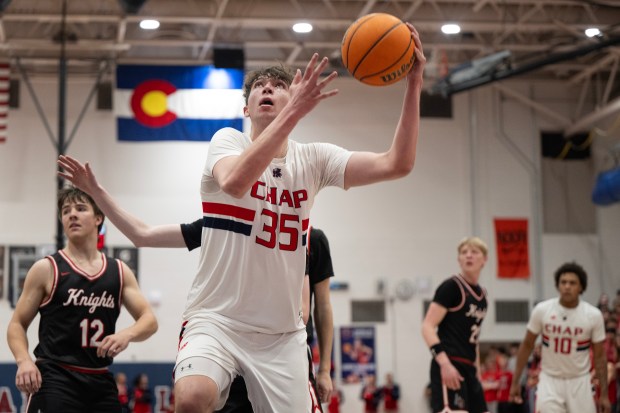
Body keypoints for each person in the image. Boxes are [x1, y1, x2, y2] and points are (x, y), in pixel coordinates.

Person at [62, 28, 425, 412]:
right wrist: (293, 114)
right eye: (259, 87)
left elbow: (397, 163)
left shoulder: (315, 159)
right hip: (216, 320)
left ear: (294, 99)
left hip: (281, 335)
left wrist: (414, 83)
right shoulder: (227, 142)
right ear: (246, 108)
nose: (267, 88)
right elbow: (235, 183)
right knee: (191, 398)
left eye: (279, 85)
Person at [57, 156, 338, 412]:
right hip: (226, 344)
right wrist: (96, 192)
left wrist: (324, 368)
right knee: (192, 398)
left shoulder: (308, 238)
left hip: (280, 348)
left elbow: (314, 307)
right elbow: (143, 234)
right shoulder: (221, 225)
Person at [6, 187, 158, 412]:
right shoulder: (47, 268)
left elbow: (149, 320)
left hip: (100, 379)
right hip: (56, 376)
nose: (72, 215)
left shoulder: (119, 271)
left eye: (80, 208)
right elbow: (17, 324)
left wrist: (127, 334)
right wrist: (23, 361)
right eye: (66, 211)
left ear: (98, 218)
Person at [508, 262, 610, 413]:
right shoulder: (542, 310)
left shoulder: (593, 315)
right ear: (557, 285)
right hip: (550, 380)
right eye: (563, 282)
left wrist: (604, 395)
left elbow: (600, 357)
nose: (567, 286)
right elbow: (527, 345)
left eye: (572, 283)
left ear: (581, 287)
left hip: (580, 381)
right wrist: (515, 381)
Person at [421, 237, 489, 413]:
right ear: (458, 259)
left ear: (484, 259)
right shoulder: (451, 286)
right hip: (450, 363)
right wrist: (444, 364)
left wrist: (477, 371)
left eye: (474, 252)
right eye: (464, 252)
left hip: (470, 368)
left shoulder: (483, 295)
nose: (468, 256)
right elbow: (427, 327)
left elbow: (474, 338)